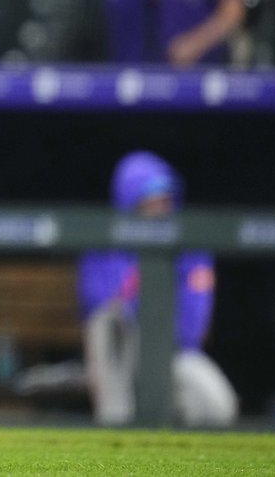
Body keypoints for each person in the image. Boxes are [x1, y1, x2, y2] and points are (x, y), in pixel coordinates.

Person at [79, 151, 238, 426]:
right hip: (123, 351)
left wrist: (155, 332)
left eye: (165, 198)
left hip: (175, 352)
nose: (159, 206)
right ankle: (114, 424)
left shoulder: (192, 249)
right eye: (149, 198)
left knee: (219, 409)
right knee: (107, 322)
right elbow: (96, 304)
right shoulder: (105, 245)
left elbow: (193, 325)